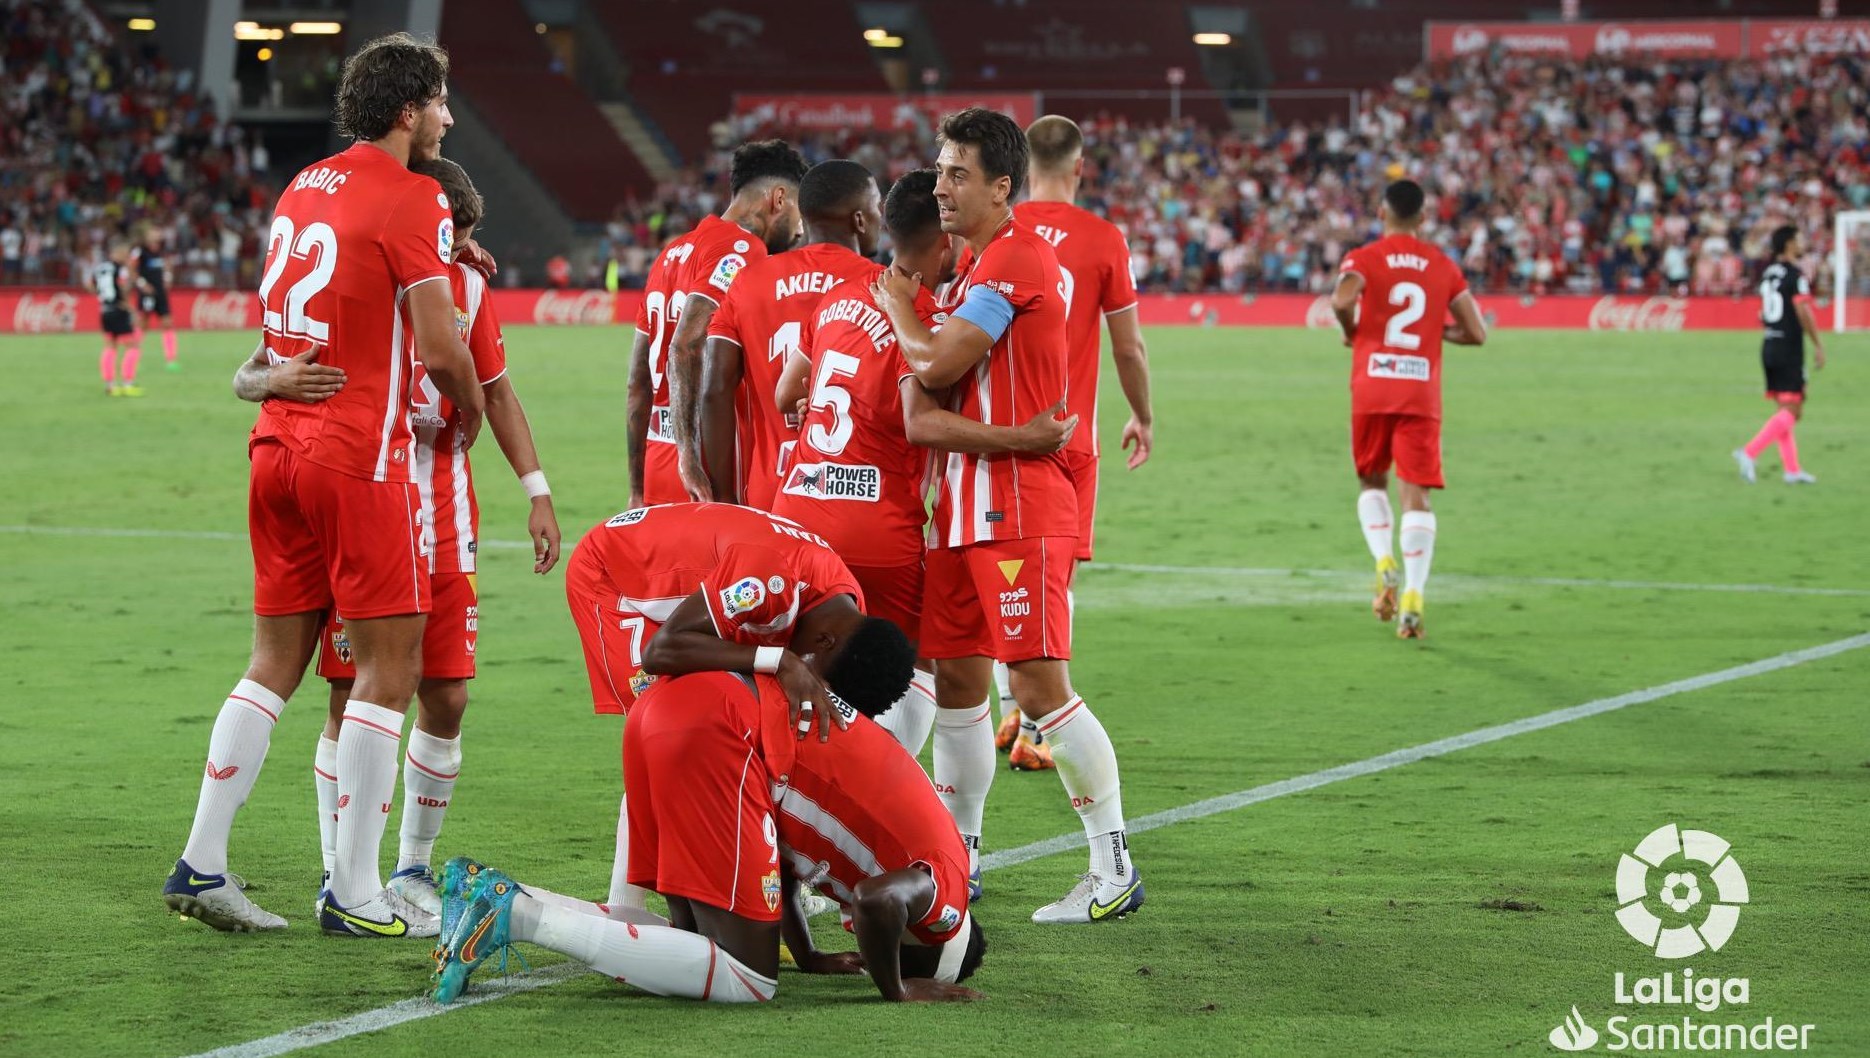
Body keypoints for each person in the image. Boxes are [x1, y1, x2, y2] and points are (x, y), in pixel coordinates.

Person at [161, 32, 483, 937]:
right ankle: (354, 891)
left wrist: (261, 384)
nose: (450, 118)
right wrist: (468, 417)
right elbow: (440, 344)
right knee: (391, 671)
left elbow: (272, 343)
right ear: (408, 110)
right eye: (442, 102)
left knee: (273, 663)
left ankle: (202, 863)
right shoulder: (414, 195)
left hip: (276, 447)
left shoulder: (305, 183)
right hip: (357, 458)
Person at [231, 157, 562, 917]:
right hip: (363, 493)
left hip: (443, 513)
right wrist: (258, 381)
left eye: (461, 236)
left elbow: (499, 390)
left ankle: (410, 869)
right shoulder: (360, 282)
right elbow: (261, 364)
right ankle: (342, 872)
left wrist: (535, 490)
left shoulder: (466, 289)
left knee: (446, 695)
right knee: (351, 692)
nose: (453, 246)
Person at [872, 107, 1142, 924]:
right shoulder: (976, 269)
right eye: (940, 169)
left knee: (1034, 685)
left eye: (958, 173)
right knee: (959, 686)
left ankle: (1113, 867)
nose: (942, 186)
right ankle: (961, 862)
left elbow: (937, 361)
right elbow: (924, 405)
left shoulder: (1015, 262)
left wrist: (895, 302)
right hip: (959, 512)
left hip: (1016, 509)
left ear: (1001, 185)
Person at [431, 670, 984, 1005]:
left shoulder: (892, 846)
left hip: (670, 708)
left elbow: (787, 872)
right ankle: (521, 917)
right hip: (726, 732)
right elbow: (877, 903)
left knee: (694, 938)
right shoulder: (947, 897)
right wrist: (898, 988)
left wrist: (808, 953)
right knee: (747, 977)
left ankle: (495, 895)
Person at [771, 168, 1077, 756]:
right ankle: (880, 801)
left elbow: (787, 397)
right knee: (923, 670)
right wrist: (1023, 438)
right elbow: (923, 421)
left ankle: (790, 798)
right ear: (946, 239)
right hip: (876, 525)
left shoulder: (838, 297)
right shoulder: (928, 316)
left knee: (803, 662)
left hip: (800, 511)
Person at [562, 501, 915, 920]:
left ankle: (743, 890)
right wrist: (779, 661)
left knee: (740, 726)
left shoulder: (846, 611)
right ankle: (623, 910)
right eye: (820, 683)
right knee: (670, 736)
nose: (814, 692)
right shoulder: (772, 582)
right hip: (613, 576)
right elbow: (662, 651)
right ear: (824, 645)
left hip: (700, 585)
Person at [997, 114, 1155, 768]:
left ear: (1024, 165)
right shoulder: (1102, 239)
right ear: (1081, 167)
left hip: (996, 431)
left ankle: (1011, 704)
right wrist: (1143, 416)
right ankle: (1038, 730)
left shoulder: (995, 228)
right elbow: (1128, 345)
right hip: (1068, 436)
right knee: (1054, 578)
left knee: (998, 561)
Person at [1330, 179, 1488, 640]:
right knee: (1416, 493)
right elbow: (1477, 332)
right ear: (1423, 218)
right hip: (1420, 392)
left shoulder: (1365, 258)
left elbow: (1340, 299)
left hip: (1372, 387)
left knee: (1371, 479)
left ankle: (1383, 560)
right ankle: (1414, 598)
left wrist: (1354, 329)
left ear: (1382, 214)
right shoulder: (1443, 266)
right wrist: (1434, 334)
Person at [628, 141, 806, 506]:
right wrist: (690, 457)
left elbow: (637, 382)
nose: (800, 229)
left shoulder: (671, 253)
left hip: (659, 458)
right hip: (704, 461)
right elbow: (685, 343)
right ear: (779, 198)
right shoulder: (741, 250)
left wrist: (636, 488)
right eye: (799, 212)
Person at [698, 159, 883, 508]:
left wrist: (724, 497)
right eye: (876, 208)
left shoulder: (748, 282)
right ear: (859, 219)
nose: (880, 218)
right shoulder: (882, 287)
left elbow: (714, 390)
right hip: (855, 493)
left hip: (771, 494)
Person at [1733, 225, 1824, 486]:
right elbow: (1803, 311)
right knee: (1794, 410)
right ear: (1788, 245)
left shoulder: (1768, 273)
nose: (1802, 241)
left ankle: (1792, 470)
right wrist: (1818, 344)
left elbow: (1763, 312)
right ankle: (1749, 452)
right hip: (1788, 347)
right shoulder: (1796, 275)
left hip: (1770, 344)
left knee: (1786, 410)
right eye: (1798, 238)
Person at [92, 241, 140, 397]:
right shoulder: (121, 270)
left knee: (110, 347)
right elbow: (123, 288)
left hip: (105, 311)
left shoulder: (100, 268)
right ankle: (128, 384)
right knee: (132, 346)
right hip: (119, 309)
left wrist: (102, 297)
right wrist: (130, 308)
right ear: (118, 254)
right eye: (125, 255)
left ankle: (110, 385)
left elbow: (89, 284)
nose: (127, 258)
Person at [132, 227, 180, 372]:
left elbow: (168, 267)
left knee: (167, 323)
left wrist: (168, 278)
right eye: (153, 234)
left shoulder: (162, 252)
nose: (156, 237)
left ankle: (171, 360)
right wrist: (142, 284)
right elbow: (131, 269)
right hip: (147, 294)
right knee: (142, 324)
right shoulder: (140, 252)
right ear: (146, 237)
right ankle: (133, 357)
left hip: (160, 293)